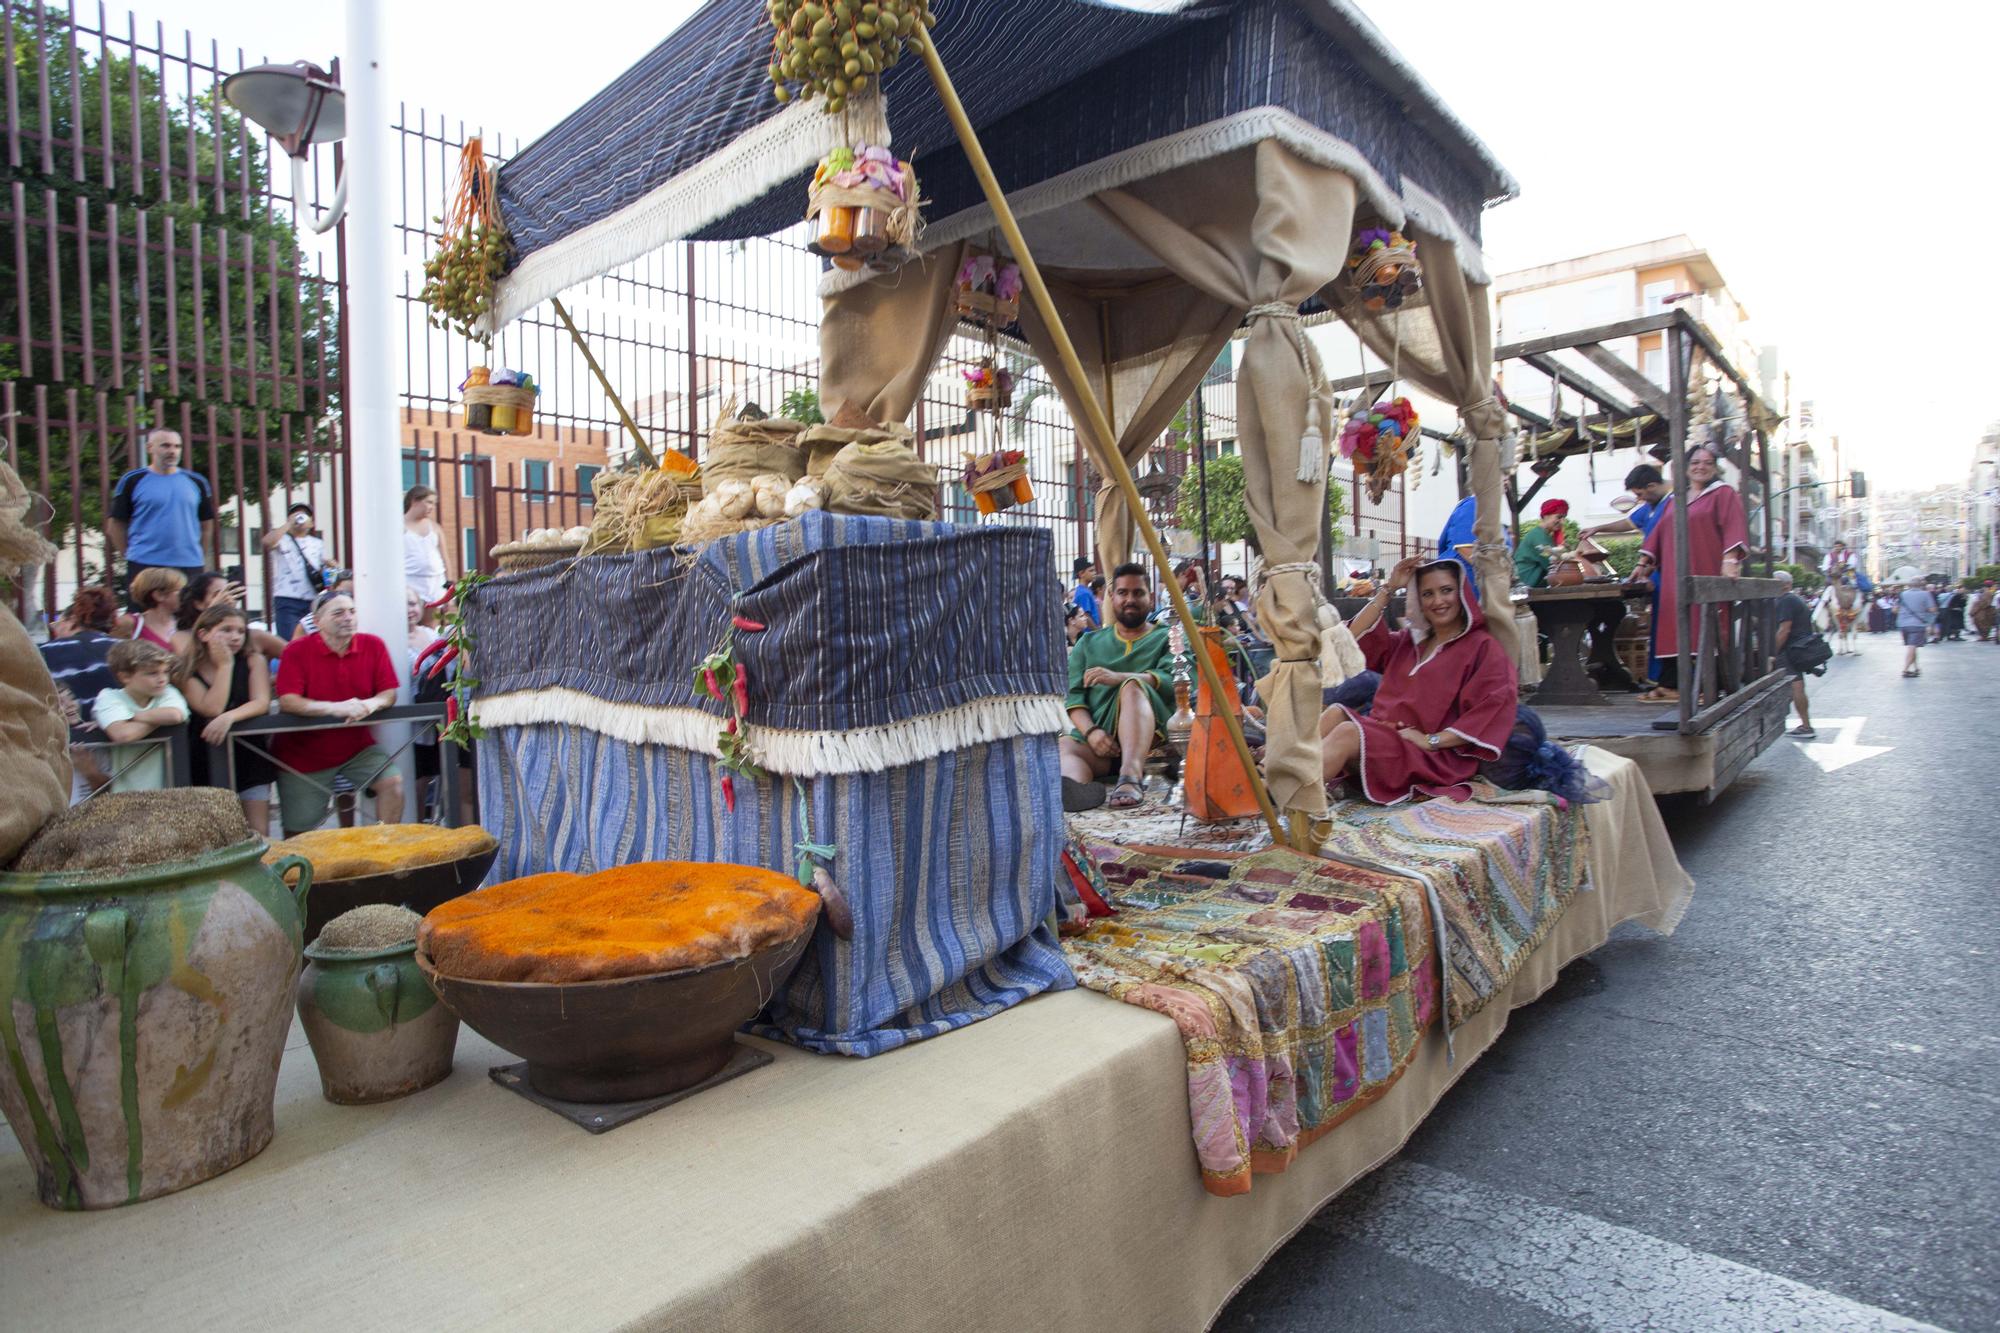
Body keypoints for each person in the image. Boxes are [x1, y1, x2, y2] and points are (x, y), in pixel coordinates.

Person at [1317, 555, 1517, 803]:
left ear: (1462, 593)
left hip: (1432, 757)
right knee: (1336, 712)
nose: (1438, 601)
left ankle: (1287, 798)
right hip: (1383, 741)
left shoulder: (1483, 648)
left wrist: (1430, 740)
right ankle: (1272, 775)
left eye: (1446, 591)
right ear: (1418, 600)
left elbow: (1490, 710)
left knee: (1348, 732)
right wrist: (1389, 589)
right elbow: (1350, 639)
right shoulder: (1408, 643)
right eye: (1427, 594)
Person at [273, 590, 405, 836]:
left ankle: (386, 852)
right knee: (299, 834)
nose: (348, 618)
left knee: (393, 784)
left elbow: (389, 693)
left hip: (357, 748)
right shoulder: (297, 650)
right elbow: (288, 701)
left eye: (352, 611)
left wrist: (371, 704)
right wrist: (335, 707)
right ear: (317, 620)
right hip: (302, 755)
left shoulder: (372, 644)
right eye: (339, 613)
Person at [1633, 445, 1749, 702]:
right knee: (1673, 625)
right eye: (1695, 462)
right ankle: (1673, 684)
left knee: (1707, 624)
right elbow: (1658, 532)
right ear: (1685, 467)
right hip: (1675, 574)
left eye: (1707, 462)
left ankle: (1710, 686)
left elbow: (1733, 524)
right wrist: (1643, 563)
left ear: (1715, 467)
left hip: (1706, 567)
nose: (1701, 466)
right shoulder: (1676, 499)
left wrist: (1730, 559)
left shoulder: (1723, 493)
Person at [1059, 563, 1171, 811]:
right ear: (1111, 597)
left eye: (1138, 593)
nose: (1130, 599)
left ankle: (1130, 777)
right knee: (1064, 745)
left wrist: (1120, 677)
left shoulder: (1166, 637)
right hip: (1103, 745)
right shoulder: (1089, 642)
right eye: (1123, 593)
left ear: (1150, 598)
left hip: (1152, 742)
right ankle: (1075, 789)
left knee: (1132, 687)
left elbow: (1177, 681)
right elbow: (1073, 698)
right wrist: (1092, 733)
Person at [178, 603, 277, 833]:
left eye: (241, 631)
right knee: (214, 833)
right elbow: (211, 707)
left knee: (257, 832)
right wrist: (225, 666)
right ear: (203, 633)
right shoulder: (185, 669)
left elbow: (261, 702)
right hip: (203, 758)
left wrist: (229, 717)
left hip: (250, 755)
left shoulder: (254, 661)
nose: (235, 637)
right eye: (226, 630)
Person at [106, 428, 216, 600]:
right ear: (150, 448)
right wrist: (130, 554)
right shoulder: (132, 480)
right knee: (144, 617)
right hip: (145, 564)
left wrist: (198, 554)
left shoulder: (197, 482)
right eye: (165, 446)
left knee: (187, 618)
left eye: (177, 446)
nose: (172, 451)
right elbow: (116, 525)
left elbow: (206, 526)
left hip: (188, 564)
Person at [39, 586, 125, 799]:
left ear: (74, 617)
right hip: (123, 752)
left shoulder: (46, 651)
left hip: (59, 751)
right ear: (114, 619)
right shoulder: (128, 650)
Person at [91, 638, 190, 792]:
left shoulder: (167, 692)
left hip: (166, 791)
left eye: (165, 672)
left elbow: (174, 715)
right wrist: (158, 718)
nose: (162, 679)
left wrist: (130, 717)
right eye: (152, 673)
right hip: (123, 793)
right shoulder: (109, 696)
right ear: (125, 677)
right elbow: (123, 734)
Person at [262, 501, 332, 640]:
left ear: (311, 523)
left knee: (313, 641)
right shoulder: (282, 540)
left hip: (312, 600)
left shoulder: (317, 543)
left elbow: (327, 569)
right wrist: (288, 524)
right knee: (288, 642)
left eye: (305, 515)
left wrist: (331, 566)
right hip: (287, 599)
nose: (300, 517)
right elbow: (267, 542)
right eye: (296, 514)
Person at [1771, 570, 1822, 738]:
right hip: (1797, 648)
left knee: (1796, 687)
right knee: (1796, 686)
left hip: (1791, 649)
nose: (1772, 584)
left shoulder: (1787, 600)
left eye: (1775, 581)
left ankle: (1806, 726)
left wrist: (1773, 652)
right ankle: (1805, 724)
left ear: (1786, 584)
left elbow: (1784, 630)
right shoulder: (1792, 599)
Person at [1582, 464, 1672, 542]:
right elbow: (1629, 523)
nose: (1639, 499)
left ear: (1651, 486)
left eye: (1639, 494)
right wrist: (1597, 529)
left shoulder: (1677, 501)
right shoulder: (1651, 504)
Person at [402, 485, 449, 604]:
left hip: (435, 581)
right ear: (414, 501)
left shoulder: (434, 526)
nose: (432, 507)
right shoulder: (399, 525)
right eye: (429, 502)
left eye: (434, 503)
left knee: (432, 621)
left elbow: (445, 557)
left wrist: (450, 582)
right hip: (410, 580)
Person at [1513, 498, 1571, 588]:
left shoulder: (1545, 536)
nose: (1562, 522)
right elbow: (1555, 565)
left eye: (1564, 518)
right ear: (1545, 515)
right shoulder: (1537, 536)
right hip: (1526, 587)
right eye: (1559, 517)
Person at [128, 566, 186, 650]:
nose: (185, 595)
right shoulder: (133, 624)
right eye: (180, 591)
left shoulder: (184, 624)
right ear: (159, 595)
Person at [1895, 582, 1937, 678]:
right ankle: (1905, 670)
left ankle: (1916, 668)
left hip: (1903, 624)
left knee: (1911, 647)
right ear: (1921, 585)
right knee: (1912, 647)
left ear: (1909, 585)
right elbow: (1933, 609)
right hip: (1917, 624)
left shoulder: (1902, 594)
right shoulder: (1925, 594)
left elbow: (1894, 609)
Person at [1070, 557, 1101, 630]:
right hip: (1089, 635)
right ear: (1081, 574)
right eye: (1091, 571)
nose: (1094, 573)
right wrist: (1097, 632)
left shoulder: (1086, 590)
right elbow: (1086, 615)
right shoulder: (1083, 593)